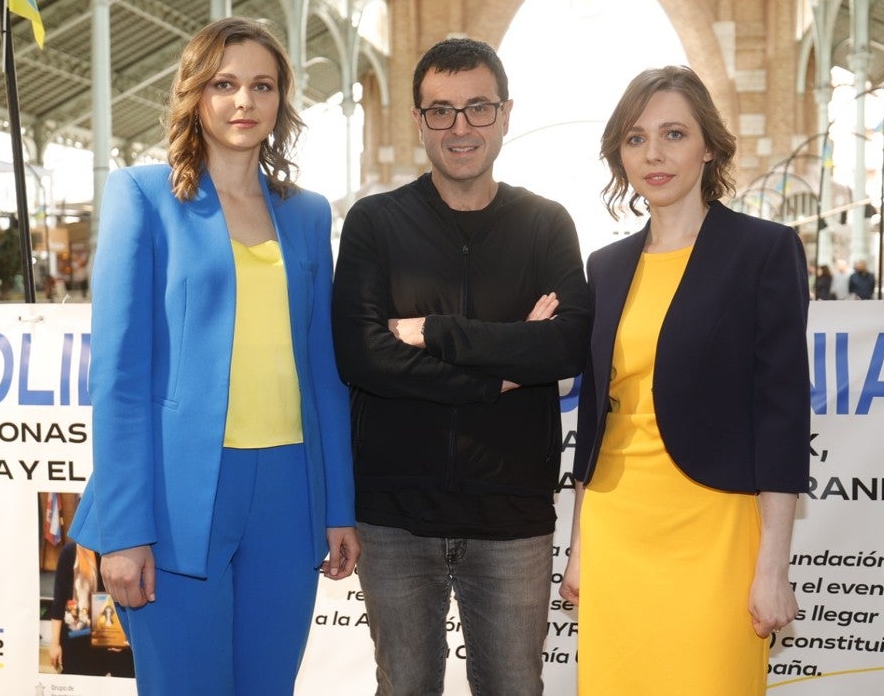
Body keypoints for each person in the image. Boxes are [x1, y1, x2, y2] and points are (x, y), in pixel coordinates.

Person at [68, 17, 358, 696]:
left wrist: (338, 505)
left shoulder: (310, 213)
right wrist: (124, 528)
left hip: (290, 496)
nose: (243, 102)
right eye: (224, 84)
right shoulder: (143, 196)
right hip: (176, 499)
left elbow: (324, 372)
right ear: (195, 93)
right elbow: (120, 380)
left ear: (282, 101)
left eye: (262, 86)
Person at [331, 37, 590, 696]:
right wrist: (505, 365)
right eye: (441, 111)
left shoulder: (546, 224)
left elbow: (565, 346)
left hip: (511, 519)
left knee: (513, 688)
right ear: (418, 122)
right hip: (394, 518)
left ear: (506, 114)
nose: (461, 127)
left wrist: (436, 333)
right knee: (406, 687)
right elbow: (365, 356)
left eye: (478, 108)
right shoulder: (374, 224)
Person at [559, 66, 809, 695]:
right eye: (636, 138)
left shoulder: (764, 251)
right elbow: (597, 415)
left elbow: (782, 417)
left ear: (709, 147)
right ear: (620, 154)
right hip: (619, 525)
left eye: (674, 134)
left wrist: (772, 566)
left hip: (717, 529)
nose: (655, 154)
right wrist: (579, 545)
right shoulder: (606, 266)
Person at [47, 540, 134, 677]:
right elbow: (59, 601)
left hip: (117, 640)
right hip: (79, 642)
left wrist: (127, 638)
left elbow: (135, 598)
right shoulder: (71, 551)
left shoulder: (126, 552)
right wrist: (54, 644)